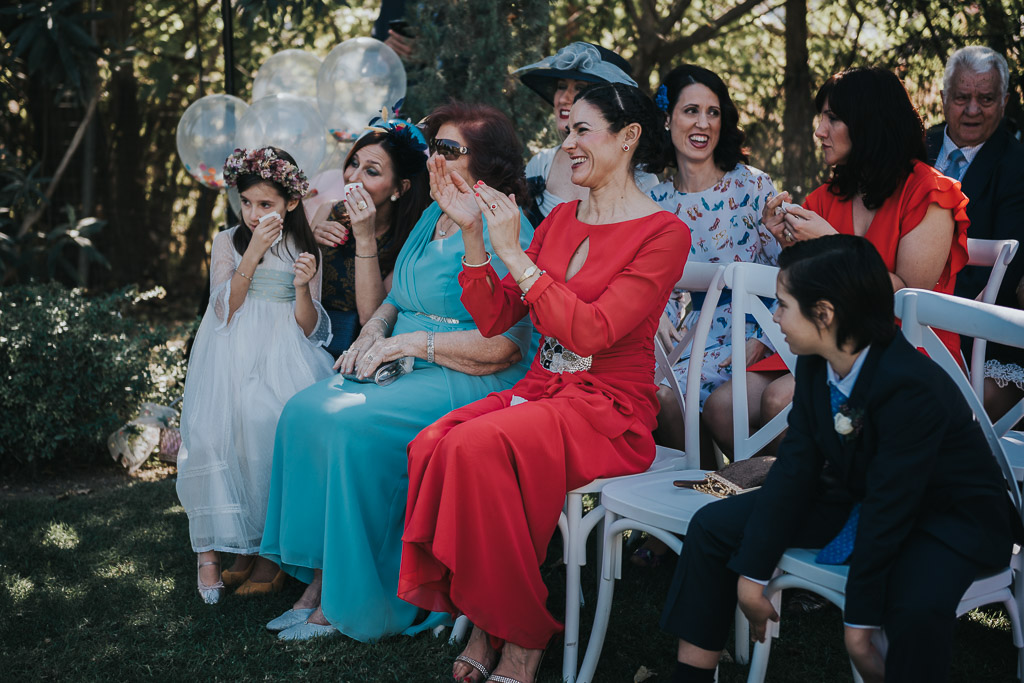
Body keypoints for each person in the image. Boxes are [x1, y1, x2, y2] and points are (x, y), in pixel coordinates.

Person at [398, 83, 690, 683]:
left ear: (628, 137)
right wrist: (478, 236)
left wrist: (519, 256)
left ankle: (519, 639)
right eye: (567, 131)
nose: (569, 141)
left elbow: (592, 331)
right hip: (540, 392)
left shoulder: (664, 233)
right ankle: (488, 618)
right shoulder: (558, 218)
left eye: (584, 130)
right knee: (432, 444)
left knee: (477, 448)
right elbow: (495, 316)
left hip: (608, 410)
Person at [660, 234, 1018, 683]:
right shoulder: (815, 361)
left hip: (949, 515)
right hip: (860, 493)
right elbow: (796, 469)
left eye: (783, 304)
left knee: (913, 598)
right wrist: (751, 574)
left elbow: (892, 508)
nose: (775, 316)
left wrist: (857, 627)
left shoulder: (910, 388)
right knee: (712, 527)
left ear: (825, 315)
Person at [258, 101, 536, 641]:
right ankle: (319, 582)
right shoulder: (433, 212)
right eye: (434, 147)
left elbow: (504, 346)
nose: (435, 157)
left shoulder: (508, 224)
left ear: (487, 161)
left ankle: (356, 600)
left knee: (349, 427)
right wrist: (371, 334)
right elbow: (393, 298)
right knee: (304, 412)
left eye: (449, 149)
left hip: (467, 370)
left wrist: (412, 342)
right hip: (402, 352)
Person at [703, 67, 970, 455]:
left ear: (869, 123)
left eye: (833, 118)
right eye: (821, 117)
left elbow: (907, 295)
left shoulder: (929, 192)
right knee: (721, 408)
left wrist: (831, 241)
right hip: (825, 340)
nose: (819, 130)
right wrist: (788, 245)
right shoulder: (825, 197)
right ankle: (795, 485)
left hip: (901, 347)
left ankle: (824, 496)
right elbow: (805, 289)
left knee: (780, 401)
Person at [176, 146, 334, 604]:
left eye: (264, 204)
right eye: (246, 202)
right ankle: (221, 551)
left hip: (283, 350)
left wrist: (302, 286)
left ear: (289, 202)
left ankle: (270, 554)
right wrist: (255, 252)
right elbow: (223, 308)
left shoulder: (306, 247)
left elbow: (310, 327)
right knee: (214, 431)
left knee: (265, 421)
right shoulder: (228, 241)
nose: (252, 213)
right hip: (230, 346)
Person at [647, 63, 781, 457]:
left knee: (672, 394)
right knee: (656, 397)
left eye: (713, 112)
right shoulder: (657, 203)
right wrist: (658, 314)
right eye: (691, 111)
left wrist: (762, 338)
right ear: (667, 119)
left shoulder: (751, 185)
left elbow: (785, 272)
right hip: (693, 337)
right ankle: (703, 488)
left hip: (757, 334)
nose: (702, 123)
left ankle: (736, 489)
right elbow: (662, 287)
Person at [926, 45, 1024, 421]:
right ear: (944, 97)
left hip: (981, 334)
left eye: (985, 99)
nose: (971, 110)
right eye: (962, 97)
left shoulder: (1016, 166)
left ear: (1003, 102)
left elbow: (1005, 269)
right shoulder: (917, 147)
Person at [308, 116, 431, 354]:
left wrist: (365, 238)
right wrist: (310, 243)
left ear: (400, 188)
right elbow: (299, 291)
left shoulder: (410, 238)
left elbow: (371, 317)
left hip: (361, 349)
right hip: (313, 338)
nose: (352, 177)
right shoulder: (329, 211)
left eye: (371, 171)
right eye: (354, 163)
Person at [514, 42, 658, 226]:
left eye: (580, 88)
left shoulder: (642, 178)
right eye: (561, 86)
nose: (564, 98)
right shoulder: (541, 164)